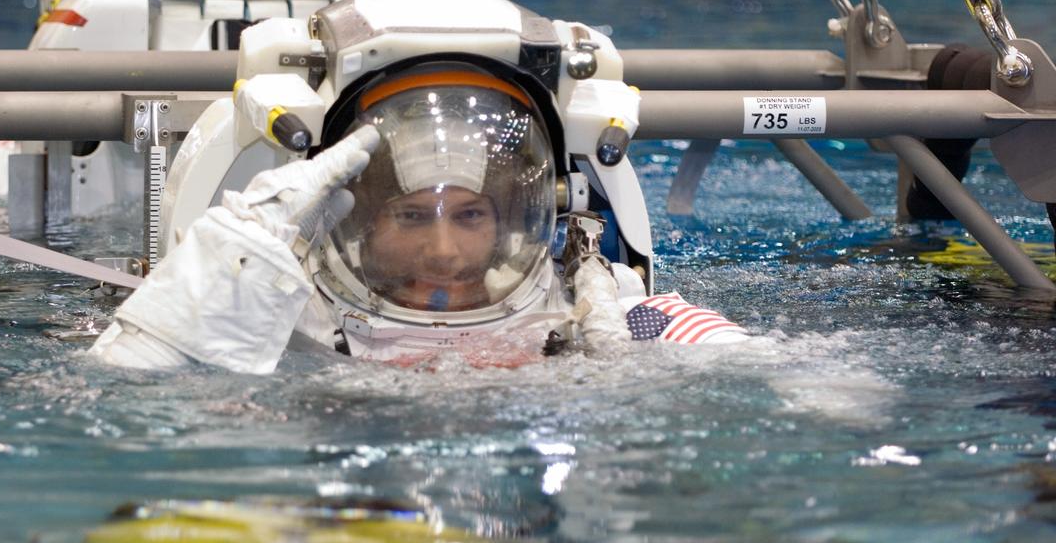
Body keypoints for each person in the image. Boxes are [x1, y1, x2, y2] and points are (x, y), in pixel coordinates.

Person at [90, 65, 747, 373]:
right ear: (356, 221)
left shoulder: (615, 314)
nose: (444, 249)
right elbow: (115, 399)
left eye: (470, 214)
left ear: (515, 216)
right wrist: (236, 260)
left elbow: (791, 382)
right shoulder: (294, 332)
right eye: (410, 215)